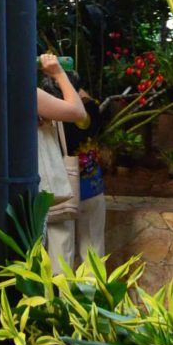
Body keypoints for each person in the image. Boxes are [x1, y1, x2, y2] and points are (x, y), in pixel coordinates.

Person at [37, 53, 86, 272]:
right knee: (61, 260)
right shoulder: (35, 99)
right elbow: (78, 112)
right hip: (49, 191)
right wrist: (59, 74)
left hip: (24, 193)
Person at [64, 84, 106, 264]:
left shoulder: (55, 113)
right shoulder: (92, 109)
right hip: (92, 188)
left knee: (61, 251)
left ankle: (62, 292)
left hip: (63, 191)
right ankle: (93, 292)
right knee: (93, 251)